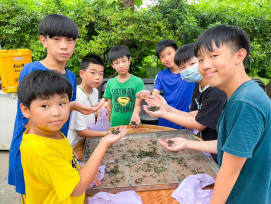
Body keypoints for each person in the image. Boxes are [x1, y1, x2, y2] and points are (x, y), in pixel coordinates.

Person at [159, 25, 271, 203]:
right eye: (201, 59)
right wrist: (187, 143)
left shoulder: (245, 102)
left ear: (239, 55)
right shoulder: (238, 95)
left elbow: (229, 171)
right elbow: (229, 146)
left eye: (213, 56)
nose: (205, 65)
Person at [8, 14, 104, 198]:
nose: (64, 46)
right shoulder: (32, 71)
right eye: (56, 39)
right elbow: (29, 121)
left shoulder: (69, 76)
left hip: (59, 149)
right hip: (36, 155)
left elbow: (59, 113)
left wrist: (74, 106)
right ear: (43, 40)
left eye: (70, 40)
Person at [18, 70, 127, 203]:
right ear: (26, 110)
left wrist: (81, 168)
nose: (56, 113)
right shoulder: (41, 151)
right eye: (45, 106)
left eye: (62, 103)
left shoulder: (50, 133)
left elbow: (66, 159)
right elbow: (77, 188)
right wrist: (103, 143)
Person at [143, 43, 227, 162]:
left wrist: (162, 113)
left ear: (202, 61)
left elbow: (199, 124)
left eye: (192, 64)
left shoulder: (216, 91)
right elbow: (192, 115)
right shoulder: (198, 87)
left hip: (223, 152)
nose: (188, 69)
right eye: (182, 67)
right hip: (210, 148)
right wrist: (167, 108)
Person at [139, 39, 195, 129]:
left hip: (186, 120)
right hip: (165, 120)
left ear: (177, 52)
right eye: (162, 56)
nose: (167, 59)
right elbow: (155, 97)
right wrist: (146, 94)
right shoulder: (160, 76)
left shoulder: (189, 72)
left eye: (169, 53)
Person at [68, 54, 110, 147]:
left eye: (101, 74)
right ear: (82, 74)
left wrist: (101, 112)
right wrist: (107, 134)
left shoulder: (95, 91)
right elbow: (81, 132)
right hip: (74, 145)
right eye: (93, 73)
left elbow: (92, 113)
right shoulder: (77, 95)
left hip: (86, 143)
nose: (97, 77)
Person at [103, 45, 145, 127]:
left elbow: (138, 106)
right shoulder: (110, 83)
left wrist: (135, 115)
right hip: (115, 125)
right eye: (117, 63)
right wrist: (107, 127)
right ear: (112, 65)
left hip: (133, 125)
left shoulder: (138, 82)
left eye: (124, 61)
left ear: (129, 61)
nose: (121, 65)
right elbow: (109, 108)